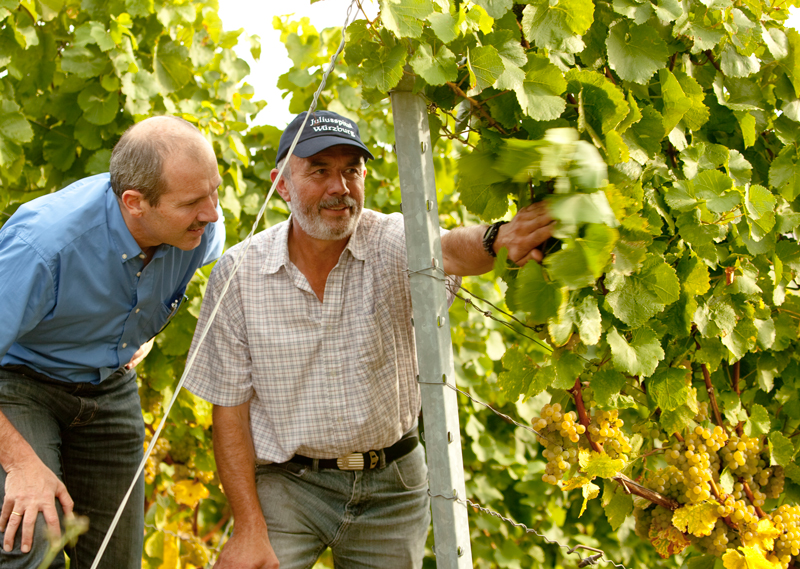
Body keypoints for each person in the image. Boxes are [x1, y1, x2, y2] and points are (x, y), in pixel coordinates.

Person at [185, 110, 552, 569]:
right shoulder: (240, 274)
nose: (339, 186)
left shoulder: (390, 241)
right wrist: (248, 527)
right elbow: (230, 412)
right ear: (282, 183)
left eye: (351, 170)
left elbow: (447, 249)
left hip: (391, 490)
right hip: (290, 484)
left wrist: (500, 237)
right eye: (319, 171)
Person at [0, 115, 225, 569]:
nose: (213, 213)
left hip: (109, 388)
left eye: (214, 191)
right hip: (22, 385)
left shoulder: (198, 232)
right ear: (135, 202)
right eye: (192, 203)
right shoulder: (43, 244)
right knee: (30, 534)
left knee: (115, 559)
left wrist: (133, 334)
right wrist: (22, 466)